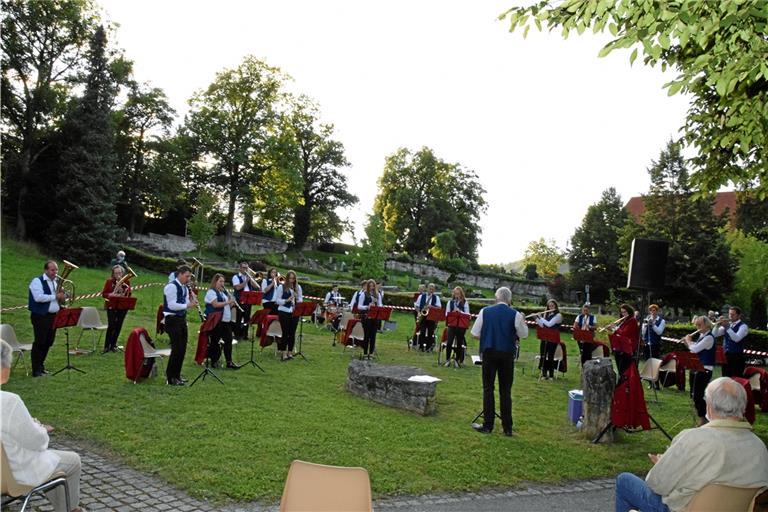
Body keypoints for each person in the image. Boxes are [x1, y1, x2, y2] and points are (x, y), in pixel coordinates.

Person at [615, 377, 768, 512]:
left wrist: (662, 465)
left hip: (683, 508)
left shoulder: (694, 438)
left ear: (709, 406)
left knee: (624, 481)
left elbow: (656, 484)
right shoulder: (759, 447)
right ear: (742, 407)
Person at [0, 340, 85, 512]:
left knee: (49, 461)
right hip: (11, 476)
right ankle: (69, 509)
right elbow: (37, 442)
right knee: (72, 460)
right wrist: (39, 428)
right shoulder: (9, 402)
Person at [470, 287, 528, 436]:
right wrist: (522, 321)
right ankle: (507, 427)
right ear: (509, 299)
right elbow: (524, 334)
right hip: (507, 354)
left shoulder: (485, 311)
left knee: (488, 388)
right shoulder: (515, 314)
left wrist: (487, 335)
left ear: (496, 298)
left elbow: (474, 333)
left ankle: (488, 425)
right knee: (505, 390)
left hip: (489, 352)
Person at [28, 260, 65, 377]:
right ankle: (36, 369)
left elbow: (56, 298)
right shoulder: (37, 281)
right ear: (46, 270)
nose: (55, 272)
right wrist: (55, 296)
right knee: (40, 342)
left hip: (53, 316)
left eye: (56, 270)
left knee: (49, 342)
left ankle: (41, 366)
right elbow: (38, 297)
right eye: (52, 270)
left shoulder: (56, 283)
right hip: (41, 316)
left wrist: (63, 297)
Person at [163, 264, 197, 385]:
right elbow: (172, 305)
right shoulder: (171, 286)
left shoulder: (184, 287)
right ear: (180, 274)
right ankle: (171, 377)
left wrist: (191, 301)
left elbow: (185, 302)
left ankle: (177, 375)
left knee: (182, 349)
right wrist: (187, 305)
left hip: (181, 319)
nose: (188, 279)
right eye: (187, 276)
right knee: (176, 349)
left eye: (189, 277)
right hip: (172, 320)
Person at [204, 274, 240, 370]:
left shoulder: (223, 293)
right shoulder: (211, 292)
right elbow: (215, 305)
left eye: (223, 281)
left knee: (228, 340)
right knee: (215, 341)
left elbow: (227, 306)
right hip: (217, 320)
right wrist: (228, 302)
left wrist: (232, 303)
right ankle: (214, 361)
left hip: (226, 321)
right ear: (215, 282)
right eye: (220, 281)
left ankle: (229, 362)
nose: (222, 283)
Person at [685, 316, 716, 426]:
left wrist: (689, 342)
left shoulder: (709, 338)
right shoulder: (702, 336)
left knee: (699, 395)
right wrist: (689, 343)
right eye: (696, 325)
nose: (697, 327)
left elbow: (695, 349)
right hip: (697, 368)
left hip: (705, 370)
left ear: (707, 325)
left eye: (699, 325)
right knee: (693, 394)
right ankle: (701, 415)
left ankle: (703, 418)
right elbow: (694, 349)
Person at [101, 265, 132, 353]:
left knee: (118, 325)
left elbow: (129, 294)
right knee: (111, 325)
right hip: (111, 305)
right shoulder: (109, 281)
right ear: (113, 274)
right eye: (116, 273)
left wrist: (123, 290)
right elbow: (104, 294)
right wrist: (112, 294)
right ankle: (106, 346)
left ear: (122, 273)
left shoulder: (126, 282)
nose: (118, 275)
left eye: (120, 273)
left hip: (122, 307)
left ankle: (113, 345)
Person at [713, 306, 749, 378]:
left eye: (733, 314)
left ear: (739, 315)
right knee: (725, 377)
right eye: (729, 314)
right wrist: (716, 326)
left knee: (736, 378)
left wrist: (727, 328)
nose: (730, 316)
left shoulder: (743, 326)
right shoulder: (728, 325)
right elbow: (714, 334)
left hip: (737, 356)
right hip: (726, 356)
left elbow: (736, 339)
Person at [275, 270, 303, 361]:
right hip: (284, 311)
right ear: (287, 278)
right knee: (285, 333)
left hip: (294, 312)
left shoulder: (298, 287)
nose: (292, 280)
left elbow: (301, 300)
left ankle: (290, 352)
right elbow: (277, 300)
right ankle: (283, 353)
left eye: (293, 278)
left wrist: (297, 297)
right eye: (290, 278)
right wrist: (286, 300)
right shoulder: (281, 287)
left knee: (292, 333)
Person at [607, 304, 640, 380]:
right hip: (619, 347)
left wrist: (615, 327)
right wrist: (610, 329)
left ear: (629, 312)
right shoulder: (623, 321)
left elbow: (625, 333)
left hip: (627, 348)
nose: (623, 314)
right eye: (622, 312)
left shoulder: (632, 320)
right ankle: (621, 385)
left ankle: (624, 386)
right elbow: (618, 333)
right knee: (620, 369)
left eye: (625, 312)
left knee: (624, 369)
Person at [232, 260, 259, 339]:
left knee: (247, 318)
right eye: (244, 268)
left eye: (247, 268)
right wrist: (246, 281)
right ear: (240, 268)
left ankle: (245, 335)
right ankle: (237, 334)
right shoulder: (236, 277)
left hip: (248, 300)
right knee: (238, 317)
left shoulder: (248, 277)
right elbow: (237, 287)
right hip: (239, 300)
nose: (245, 270)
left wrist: (251, 279)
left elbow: (256, 287)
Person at [535, 299, 562, 380]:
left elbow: (549, 324)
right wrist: (536, 318)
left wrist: (540, 317)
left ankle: (551, 375)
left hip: (553, 337)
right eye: (549, 306)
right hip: (545, 336)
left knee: (550, 356)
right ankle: (544, 374)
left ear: (555, 306)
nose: (550, 307)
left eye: (552, 306)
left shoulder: (558, 316)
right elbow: (543, 325)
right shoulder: (546, 315)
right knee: (543, 355)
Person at [444, 286, 470, 368]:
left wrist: (460, 312)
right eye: (455, 294)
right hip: (452, 325)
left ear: (461, 294)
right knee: (449, 342)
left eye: (458, 294)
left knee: (459, 343)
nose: (456, 296)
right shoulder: (450, 302)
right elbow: (446, 314)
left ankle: (457, 360)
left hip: (461, 326)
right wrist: (453, 313)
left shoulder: (465, 302)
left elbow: (467, 314)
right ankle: (447, 359)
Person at [356, 279, 383, 358]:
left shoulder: (377, 294)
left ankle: (371, 353)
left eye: (373, 286)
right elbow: (359, 306)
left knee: (373, 336)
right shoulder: (364, 294)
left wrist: (377, 304)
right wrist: (367, 307)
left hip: (375, 317)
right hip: (366, 317)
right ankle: (365, 353)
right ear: (367, 286)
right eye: (370, 286)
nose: (371, 287)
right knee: (366, 335)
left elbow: (381, 305)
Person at [414, 283, 441, 351]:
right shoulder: (421, 296)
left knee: (430, 332)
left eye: (432, 289)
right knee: (422, 331)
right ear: (427, 289)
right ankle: (421, 346)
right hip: (423, 316)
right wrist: (419, 312)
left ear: (434, 290)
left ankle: (429, 347)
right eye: (430, 289)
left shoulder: (436, 297)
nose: (431, 290)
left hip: (432, 317)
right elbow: (417, 306)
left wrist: (432, 307)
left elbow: (439, 308)